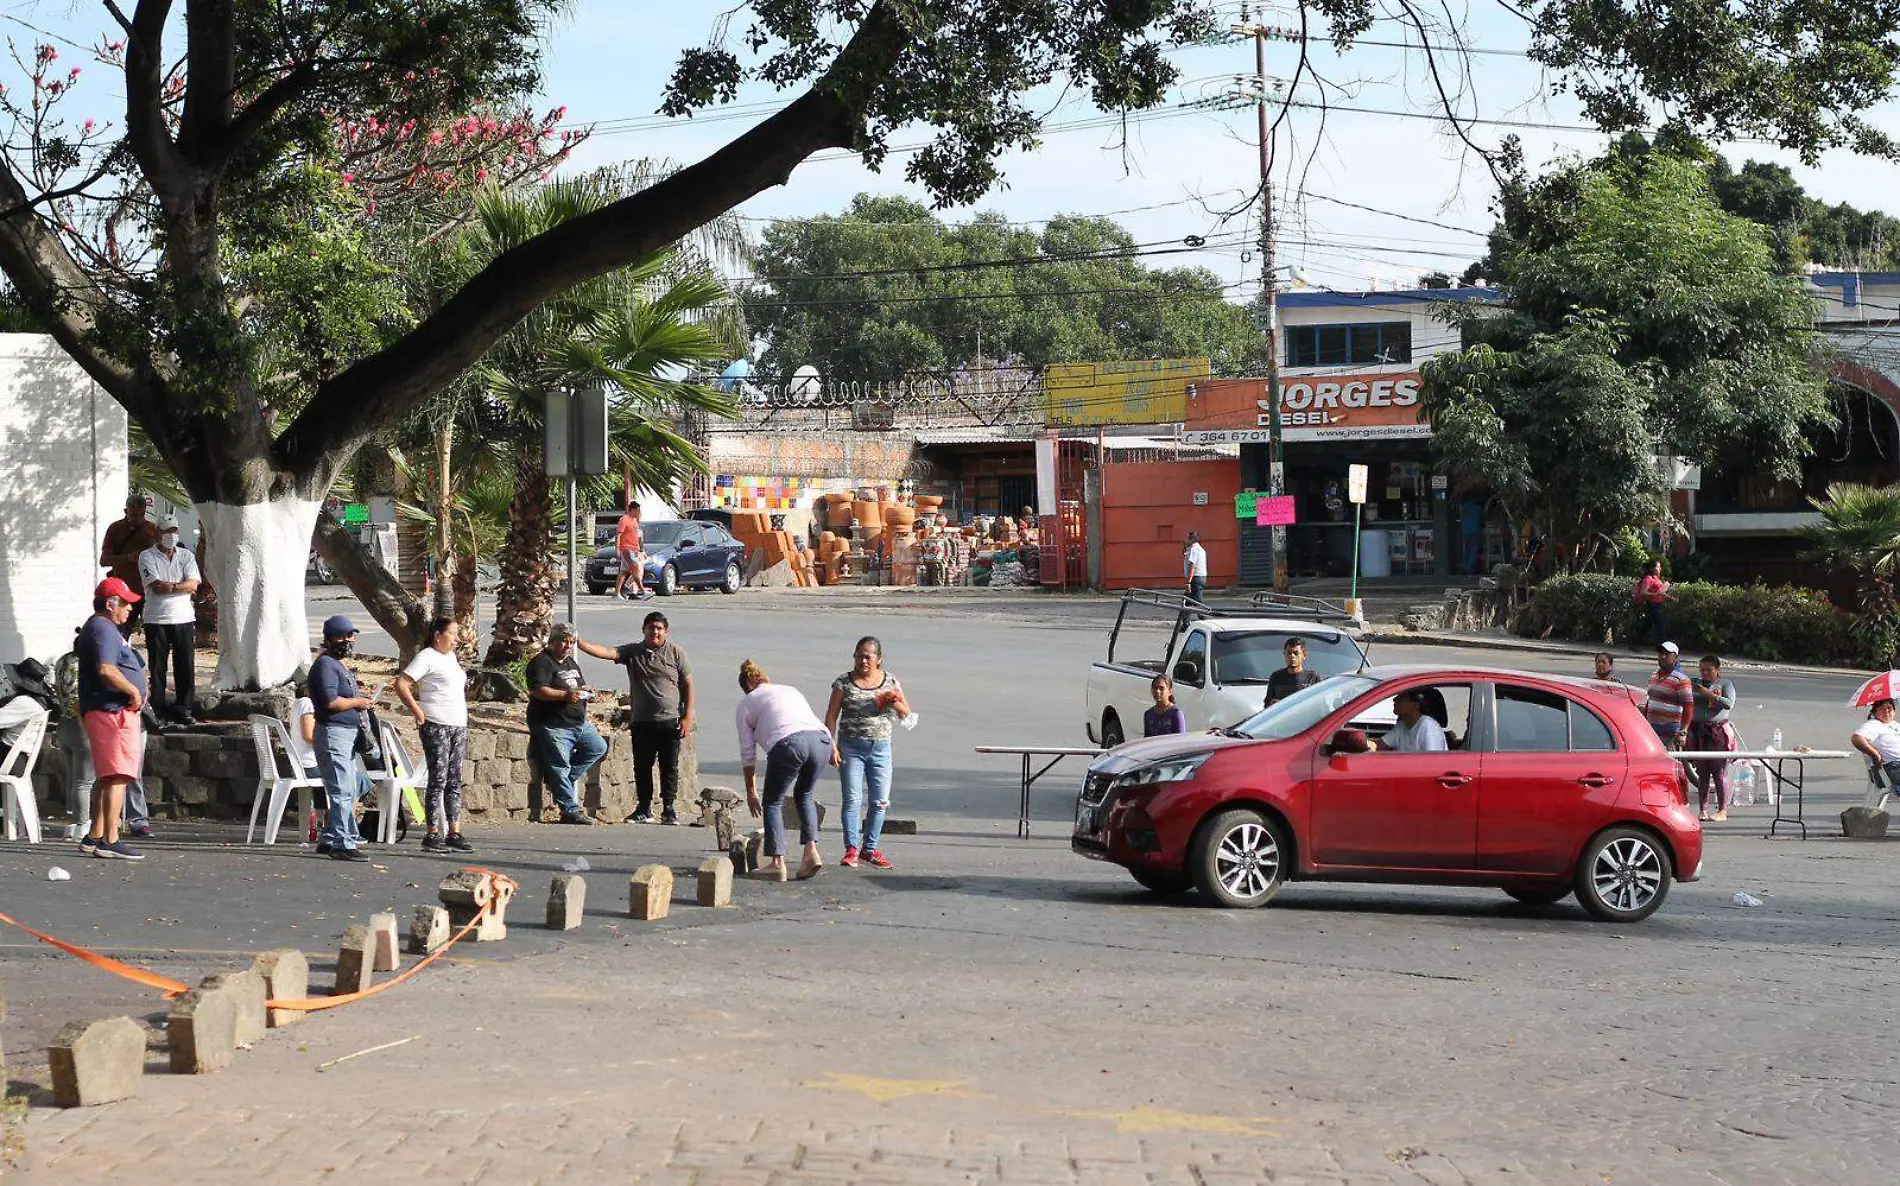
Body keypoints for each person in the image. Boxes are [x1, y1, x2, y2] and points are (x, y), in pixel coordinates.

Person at [577, 612, 694, 824]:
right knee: (642, 766)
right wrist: (580, 643)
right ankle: (644, 808)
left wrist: (687, 717)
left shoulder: (676, 653)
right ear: (644, 630)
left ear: (666, 631)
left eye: (659, 628)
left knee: (669, 767)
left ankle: (669, 809)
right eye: (651, 627)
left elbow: (688, 685)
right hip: (642, 721)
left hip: (669, 721)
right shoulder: (633, 652)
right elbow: (607, 652)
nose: (655, 631)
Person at [735, 659, 827, 880]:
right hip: (821, 741)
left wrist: (751, 791)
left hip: (789, 743)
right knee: (804, 794)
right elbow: (811, 719)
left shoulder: (746, 703)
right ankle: (811, 852)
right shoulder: (790, 690)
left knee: (773, 801)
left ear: (747, 685)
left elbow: (748, 753)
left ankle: (777, 862)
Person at [824, 636, 911, 869]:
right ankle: (851, 849)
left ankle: (869, 849)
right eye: (859, 655)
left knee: (880, 801)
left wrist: (893, 701)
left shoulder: (890, 681)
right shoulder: (843, 682)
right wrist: (831, 746)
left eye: (868, 656)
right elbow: (831, 716)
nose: (863, 660)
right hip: (851, 747)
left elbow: (906, 714)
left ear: (878, 660)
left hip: (881, 748)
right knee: (852, 799)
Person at [76, 578, 147, 860]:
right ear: (110, 604)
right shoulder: (103, 629)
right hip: (111, 710)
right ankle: (110, 839)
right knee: (117, 775)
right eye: (125, 603)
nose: (130, 609)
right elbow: (106, 668)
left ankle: (95, 835)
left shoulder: (102, 628)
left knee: (109, 776)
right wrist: (132, 689)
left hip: (108, 710)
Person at [395, 617, 472, 853]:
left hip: (457, 724)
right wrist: (418, 711)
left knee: (454, 779)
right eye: (453, 634)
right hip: (436, 723)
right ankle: (432, 832)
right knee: (438, 778)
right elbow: (402, 683)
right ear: (438, 635)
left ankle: (454, 830)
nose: (457, 639)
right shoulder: (426, 657)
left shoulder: (450, 658)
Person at [308, 615, 377, 861]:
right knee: (341, 790)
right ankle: (342, 842)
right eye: (344, 636)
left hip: (346, 734)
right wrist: (358, 702)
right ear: (330, 639)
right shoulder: (326, 665)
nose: (349, 641)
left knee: (347, 786)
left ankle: (329, 838)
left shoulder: (339, 665)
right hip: (333, 732)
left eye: (351, 636)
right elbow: (330, 701)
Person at [525, 623, 605, 825]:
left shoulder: (570, 663)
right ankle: (569, 809)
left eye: (571, 642)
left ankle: (561, 782)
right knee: (559, 764)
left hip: (577, 723)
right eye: (564, 641)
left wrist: (586, 692)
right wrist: (565, 695)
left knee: (598, 747)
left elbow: (578, 685)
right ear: (552, 642)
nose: (568, 646)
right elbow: (538, 690)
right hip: (553, 724)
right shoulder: (541, 662)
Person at [137, 514, 201, 725]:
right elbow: (157, 586)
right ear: (158, 533)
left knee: (185, 665)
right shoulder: (147, 556)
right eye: (166, 531)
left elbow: (193, 584)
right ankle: (158, 708)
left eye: (173, 531)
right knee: (157, 667)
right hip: (156, 618)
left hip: (183, 617)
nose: (170, 535)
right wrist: (180, 586)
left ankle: (184, 708)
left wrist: (172, 587)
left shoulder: (186, 555)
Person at [1687, 655, 1738, 822]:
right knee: (1702, 773)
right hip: (1698, 731)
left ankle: (1722, 809)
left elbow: (1728, 704)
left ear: (1717, 670)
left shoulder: (1725, 684)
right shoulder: (1695, 684)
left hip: (1716, 732)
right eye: (1702, 670)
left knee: (1718, 772)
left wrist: (1709, 694)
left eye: (1709, 670)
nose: (1705, 673)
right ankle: (1703, 809)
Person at [99, 495, 157, 626]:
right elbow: (104, 560)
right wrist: (127, 558)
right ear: (126, 511)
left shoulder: (152, 529)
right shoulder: (116, 529)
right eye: (134, 515)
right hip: (124, 590)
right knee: (121, 630)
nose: (138, 519)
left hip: (147, 589)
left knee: (153, 631)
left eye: (141, 514)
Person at [1643, 642, 1694, 751]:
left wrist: (1683, 732)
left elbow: (1688, 706)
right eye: (1661, 653)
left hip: (1671, 732)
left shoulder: (1681, 679)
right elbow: (1650, 700)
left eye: (1667, 654)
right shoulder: (1654, 675)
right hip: (1652, 730)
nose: (1662, 657)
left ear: (1675, 657)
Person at [1375, 689, 1448, 753]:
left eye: (1401, 696)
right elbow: (1378, 745)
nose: (1394, 699)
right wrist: (1364, 742)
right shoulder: (1402, 725)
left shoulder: (1428, 726)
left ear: (1416, 704)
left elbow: (1434, 762)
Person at [1851, 699, 1900, 793]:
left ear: (1894, 712)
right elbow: (1856, 738)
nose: (1886, 711)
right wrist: (1875, 754)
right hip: (1890, 768)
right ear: (1874, 712)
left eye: (1889, 708)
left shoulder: (1895, 725)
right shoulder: (1874, 725)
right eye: (1881, 709)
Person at [1264, 638, 1321, 708]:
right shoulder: (1276, 677)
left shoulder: (1312, 677)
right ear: (1284, 654)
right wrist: (1273, 704)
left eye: (1296, 653)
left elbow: (1320, 704)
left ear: (1304, 655)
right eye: (1289, 653)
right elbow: (1267, 705)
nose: (1292, 656)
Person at [613, 499, 649, 600]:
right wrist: (617, 548)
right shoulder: (624, 519)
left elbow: (637, 536)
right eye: (637, 510)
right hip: (627, 549)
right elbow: (618, 534)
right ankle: (642, 590)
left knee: (624, 571)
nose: (639, 513)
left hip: (633, 549)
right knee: (636, 568)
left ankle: (617, 593)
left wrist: (640, 549)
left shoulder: (634, 520)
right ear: (632, 510)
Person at [1632, 560, 1673, 648]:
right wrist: (1654, 594)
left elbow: (1660, 592)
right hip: (1651, 604)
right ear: (1652, 568)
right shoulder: (1648, 579)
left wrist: (1671, 598)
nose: (1660, 569)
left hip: (1657, 604)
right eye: (1658, 567)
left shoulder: (1656, 578)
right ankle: (1665, 647)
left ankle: (1635, 643)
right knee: (1660, 625)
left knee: (1647, 626)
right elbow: (1643, 592)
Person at [1459, 497, 1484, 574]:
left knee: (1467, 550)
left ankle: (1467, 567)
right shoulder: (1478, 509)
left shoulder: (1463, 508)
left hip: (1465, 531)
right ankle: (1470, 568)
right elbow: (1482, 520)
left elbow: (1461, 518)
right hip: (1474, 531)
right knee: (1473, 550)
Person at [1182, 531, 1208, 605]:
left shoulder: (1194, 549)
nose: (1185, 541)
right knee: (1188, 601)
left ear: (1192, 539)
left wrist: (1188, 582)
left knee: (1197, 602)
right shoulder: (1199, 549)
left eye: (1186, 539)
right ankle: (1183, 616)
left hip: (1195, 578)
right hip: (1200, 577)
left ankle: (1203, 616)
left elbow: (1192, 565)